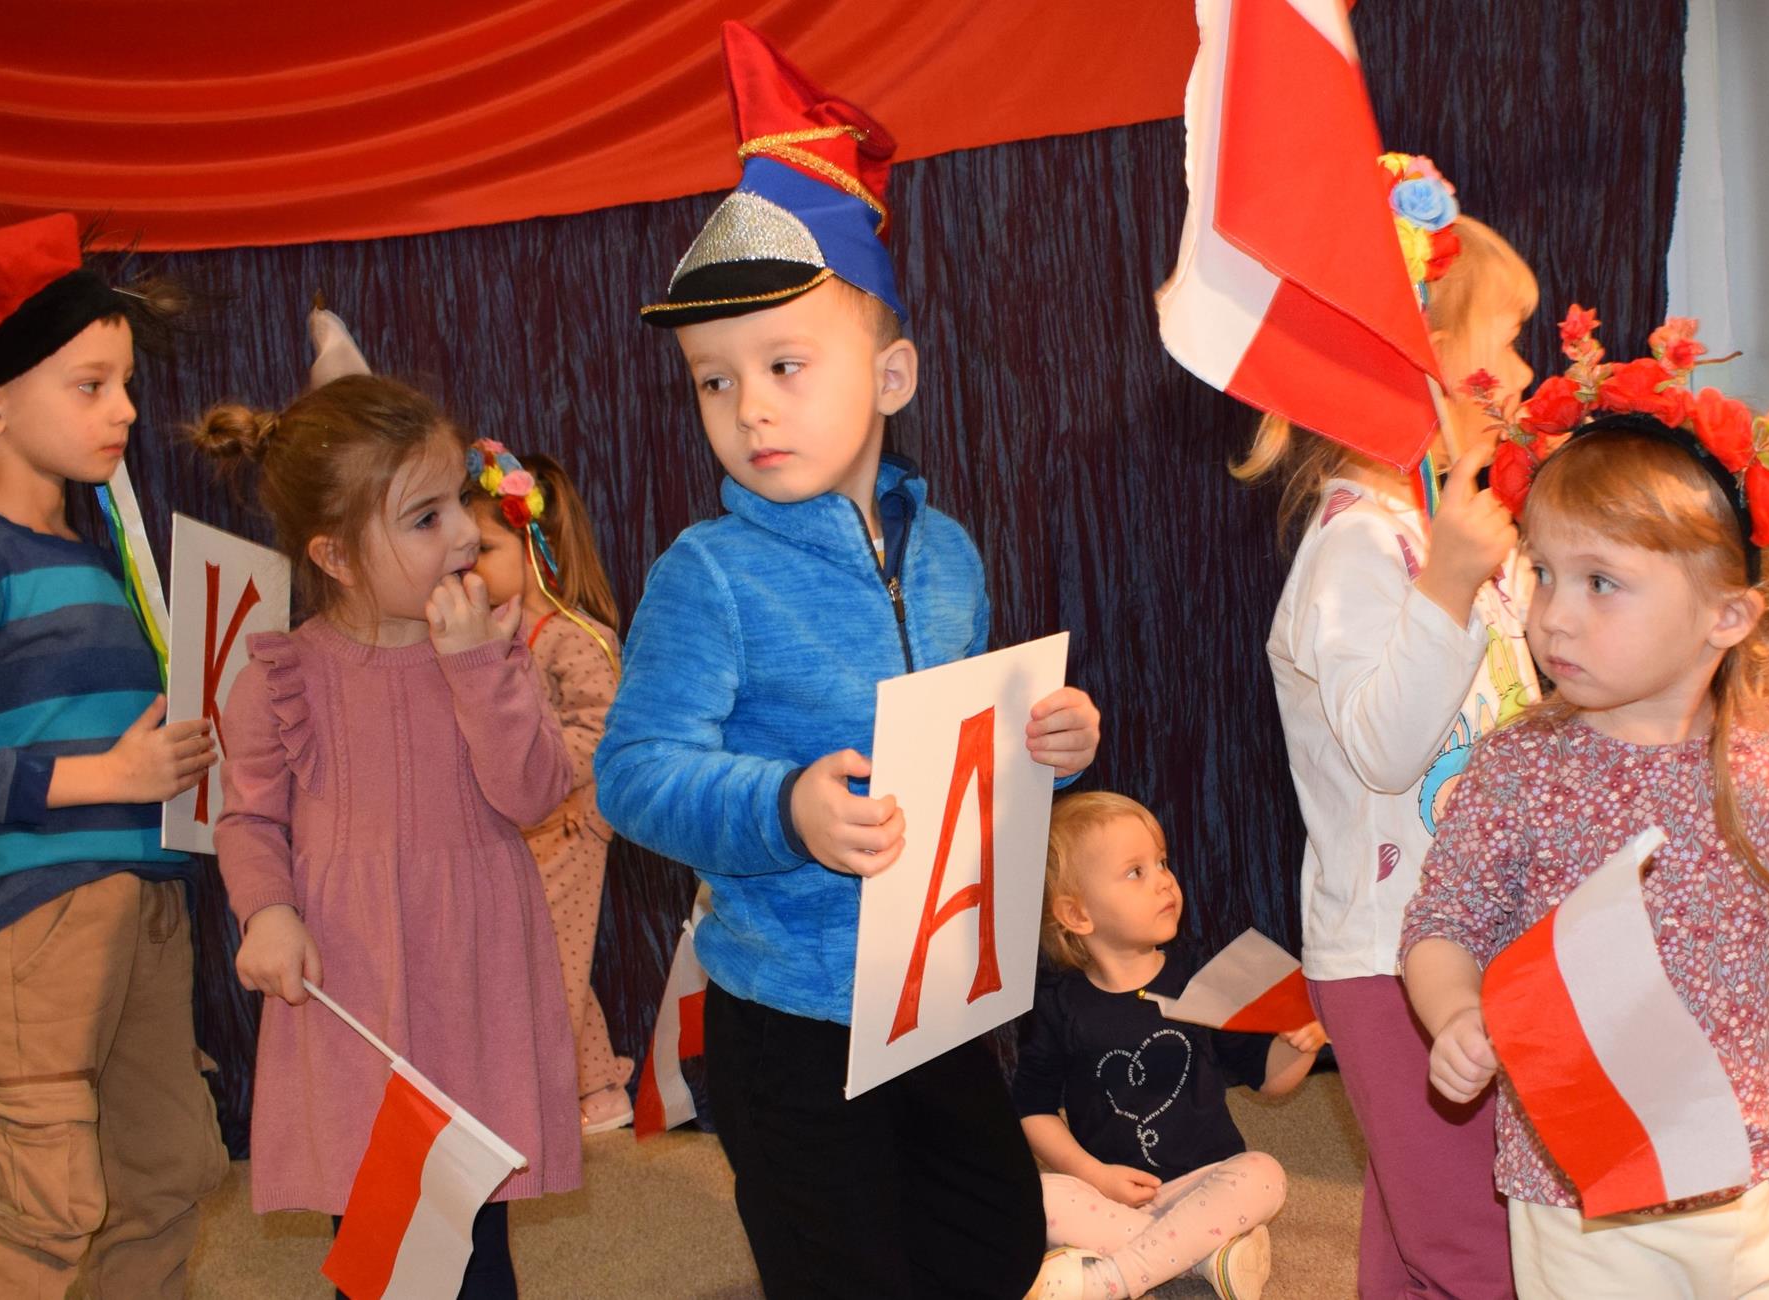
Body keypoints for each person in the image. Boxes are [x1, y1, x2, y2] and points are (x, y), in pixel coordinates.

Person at [596, 23, 1100, 1298]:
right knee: (843, 1268)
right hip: (788, 1010)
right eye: (712, 382)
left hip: (933, 989)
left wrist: (1044, 744)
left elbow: (967, 743)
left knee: (991, 1239)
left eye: (782, 364)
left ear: (890, 375)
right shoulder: (707, 573)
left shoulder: (950, 554)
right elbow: (633, 771)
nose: (748, 407)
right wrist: (784, 806)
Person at [1402, 314, 1769, 1298]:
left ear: (1727, 615)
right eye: (1542, 573)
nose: (1554, 616)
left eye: (1600, 583)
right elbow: (1442, 922)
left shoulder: (1767, 758)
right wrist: (1452, 1014)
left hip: (1744, 1169)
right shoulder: (1521, 767)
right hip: (1578, 1181)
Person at [0, 213, 227, 1298]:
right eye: (91, 385)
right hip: (33, 922)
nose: (125, 410)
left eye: (126, 385)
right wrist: (108, 776)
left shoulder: (97, 559)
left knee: (163, 1176)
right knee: (45, 1204)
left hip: (141, 901)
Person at [202, 374, 579, 1297]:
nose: (463, 534)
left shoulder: (493, 646)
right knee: (383, 1245)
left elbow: (535, 791)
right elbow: (249, 817)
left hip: (474, 975)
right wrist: (267, 911)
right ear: (334, 555)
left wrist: (476, 668)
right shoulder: (284, 676)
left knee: (476, 1236)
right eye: (425, 518)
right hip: (358, 982)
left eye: (459, 502)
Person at [1252, 155, 1540, 1298]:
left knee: (1423, 1211)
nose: (1521, 371)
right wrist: (1450, 586)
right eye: (1503, 340)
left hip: (1476, 931)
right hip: (1388, 953)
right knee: (1468, 1237)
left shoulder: (1455, 531)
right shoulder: (1358, 546)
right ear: (1416, 361)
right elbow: (1382, 746)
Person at [1016, 793, 1322, 1300]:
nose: (1164, 881)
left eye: (1162, 862)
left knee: (1264, 1174)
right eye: (1135, 872)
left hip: (1207, 1179)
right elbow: (1033, 1110)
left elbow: (1268, 1080)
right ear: (1077, 914)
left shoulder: (1199, 977)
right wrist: (1093, 1174)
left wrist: (1301, 1048)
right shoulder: (1057, 1004)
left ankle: (1112, 1279)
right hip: (1111, 1192)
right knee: (1035, 1196)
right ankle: (1206, 1257)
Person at [466, 439, 634, 1132]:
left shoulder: (576, 637)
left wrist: (542, 774)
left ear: (535, 546)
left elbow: (601, 727)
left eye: (483, 549)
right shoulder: (490, 638)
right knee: (545, 956)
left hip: (568, 827)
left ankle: (538, 1100)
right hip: (520, 828)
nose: (468, 564)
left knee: (549, 964)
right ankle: (600, 1090)